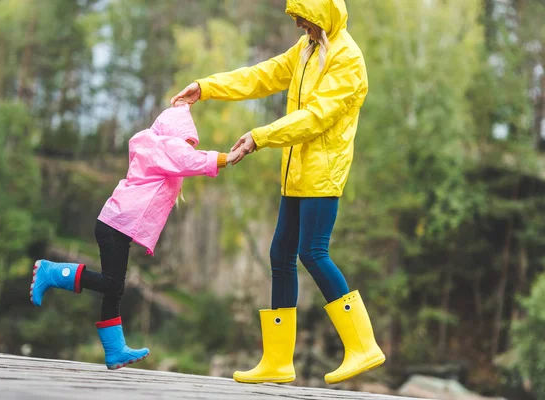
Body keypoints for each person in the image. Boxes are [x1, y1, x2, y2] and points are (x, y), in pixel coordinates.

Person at [171, 0, 385, 385]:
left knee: (313, 252)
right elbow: (261, 76)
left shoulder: (347, 59)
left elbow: (316, 118)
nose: (299, 24)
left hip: (323, 173)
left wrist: (260, 136)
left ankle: (363, 346)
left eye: (304, 17)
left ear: (322, 13)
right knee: (280, 254)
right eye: (296, 17)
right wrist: (204, 88)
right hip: (296, 173)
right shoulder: (307, 51)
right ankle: (278, 361)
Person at [30, 103, 239, 370]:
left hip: (116, 224)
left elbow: (181, 162)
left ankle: (115, 350)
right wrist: (227, 157)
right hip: (116, 224)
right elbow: (190, 160)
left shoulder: (154, 148)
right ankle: (51, 272)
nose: (187, 146)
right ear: (173, 132)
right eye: (186, 140)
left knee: (114, 288)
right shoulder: (162, 146)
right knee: (111, 284)